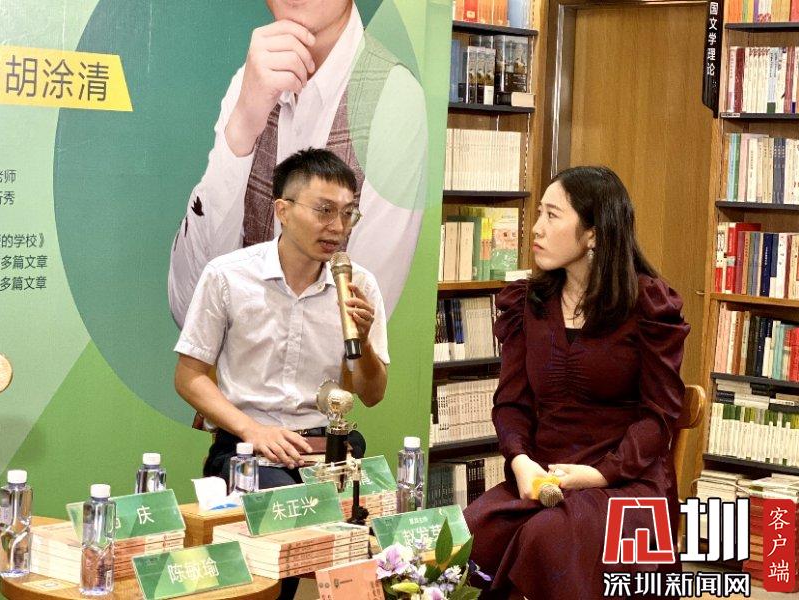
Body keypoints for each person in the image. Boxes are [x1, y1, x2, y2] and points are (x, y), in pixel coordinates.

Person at [463, 166, 690, 599]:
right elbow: (511, 404)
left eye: (552, 215)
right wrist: (520, 461)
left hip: (625, 480)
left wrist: (600, 474)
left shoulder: (648, 305)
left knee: (548, 538)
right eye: (538, 213)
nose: (536, 228)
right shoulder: (527, 303)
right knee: (467, 535)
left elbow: (659, 418)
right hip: (544, 476)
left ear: (593, 234)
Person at [173, 149, 389, 597]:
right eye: (324, 211)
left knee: (381, 539)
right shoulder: (228, 276)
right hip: (248, 450)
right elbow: (189, 376)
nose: (337, 227)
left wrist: (364, 341)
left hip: (329, 450)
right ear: (283, 211)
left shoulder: (359, 285)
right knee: (285, 540)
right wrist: (254, 431)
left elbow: (372, 394)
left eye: (347, 213)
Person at [168, 0, 427, 329]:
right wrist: (242, 126)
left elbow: (352, 328)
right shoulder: (248, 81)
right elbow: (189, 309)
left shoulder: (393, 97)